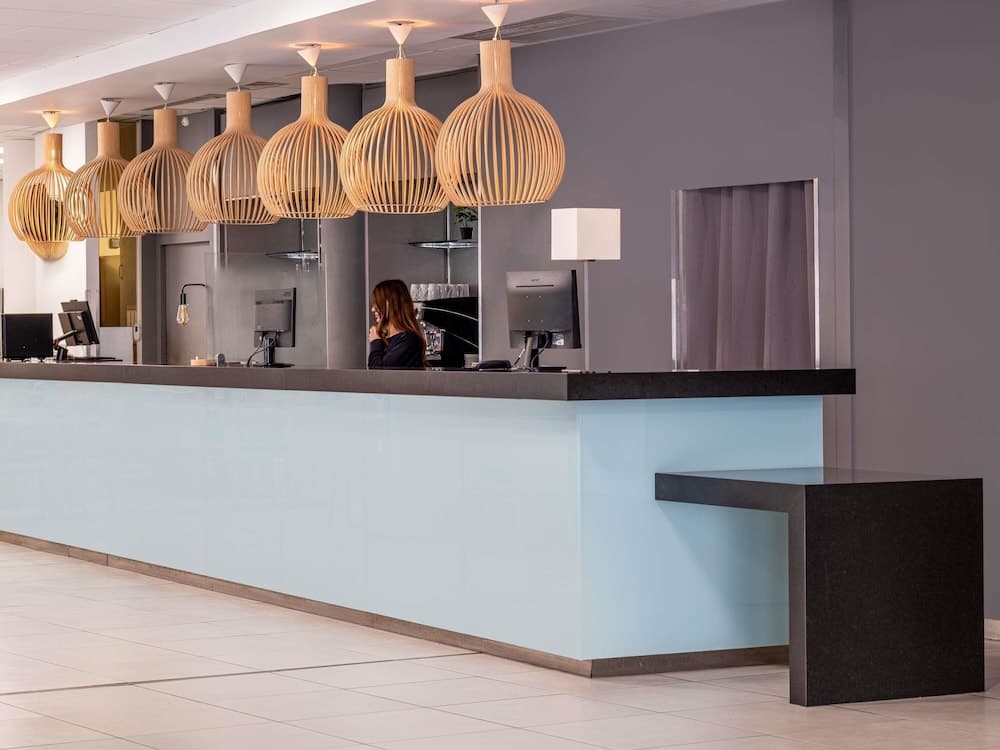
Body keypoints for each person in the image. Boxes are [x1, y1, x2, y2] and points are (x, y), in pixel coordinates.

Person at [368, 280, 427, 369]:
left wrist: (376, 342)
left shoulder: (409, 340)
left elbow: (380, 372)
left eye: (378, 303)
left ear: (389, 304)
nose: (373, 309)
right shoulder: (391, 339)